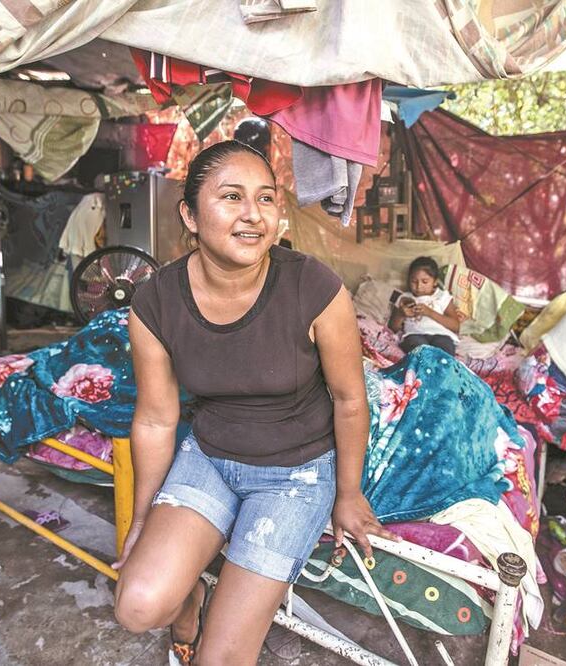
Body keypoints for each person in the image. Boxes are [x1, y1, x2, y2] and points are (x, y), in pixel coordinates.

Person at [112, 140, 397, 666]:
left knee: (219, 660)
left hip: (296, 476)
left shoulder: (313, 286)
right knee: (137, 606)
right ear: (190, 216)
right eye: (231, 197)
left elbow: (349, 398)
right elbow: (155, 418)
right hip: (210, 460)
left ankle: (206, 597)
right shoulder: (155, 300)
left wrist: (349, 493)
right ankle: (190, 595)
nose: (253, 215)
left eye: (266, 199)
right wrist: (143, 518)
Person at [389, 256, 461, 357]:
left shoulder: (442, 296)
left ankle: (440, 370)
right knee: (420, 350)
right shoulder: (404, 298)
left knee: (444, 351)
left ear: (435, 282)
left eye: (425, 282)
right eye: (414, 281)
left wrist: (429, 312)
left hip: (441, 335)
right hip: (414, 335)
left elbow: (455, 326)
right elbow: (392, 328)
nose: (419, 286)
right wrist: (401, 314)